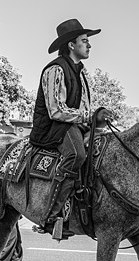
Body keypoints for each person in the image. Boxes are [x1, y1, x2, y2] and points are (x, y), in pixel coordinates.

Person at [30, 18, 110, 239]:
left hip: (71, 124)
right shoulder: (55, 69)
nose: (89, 45)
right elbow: (56, 110)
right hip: (53, 128)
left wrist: (96, 121)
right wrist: (89, 117)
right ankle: (51, 215)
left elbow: (83, 108)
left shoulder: (81, 73)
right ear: (71, 45)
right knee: (77, 154)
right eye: (85, 41)